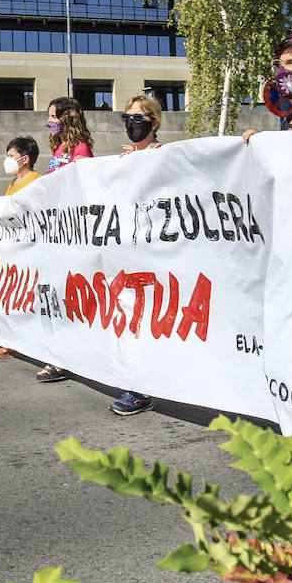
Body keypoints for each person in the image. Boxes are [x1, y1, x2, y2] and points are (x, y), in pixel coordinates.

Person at [109, 93, 163, 415]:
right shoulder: (125, 159)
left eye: (138, 118)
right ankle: (137, 386)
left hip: (157, 256)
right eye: (127, 118)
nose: (131, 124)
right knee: (132, 322)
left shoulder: (165, 155)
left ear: (154, 123)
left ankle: (143, 388)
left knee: (149, 324)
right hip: (131, 255)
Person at [37, 97, 94, 382]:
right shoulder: (59, 148)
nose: (50, 122)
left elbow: (82, 188)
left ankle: (66, 358)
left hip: (73, 236)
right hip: (55, 233)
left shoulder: (80, 148)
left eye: (53, 117)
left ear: (67, 118)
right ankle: (60, 356)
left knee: (68, 297)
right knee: (55, 297)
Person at [0, 136, 42, 360]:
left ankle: (23, 342)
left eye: (11, 156)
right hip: (13, 251)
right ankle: (12, 341)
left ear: (25, 159)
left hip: (30, 251)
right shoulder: (13, 184)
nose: (7, 160)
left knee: (28, 300)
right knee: (13, 297)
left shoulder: (37, 181)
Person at [44, 96, 94, 173]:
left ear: (68, 120)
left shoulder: (81, 148)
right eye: (49, 116)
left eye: (54, 117)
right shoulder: (59, 146)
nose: (48, 122)